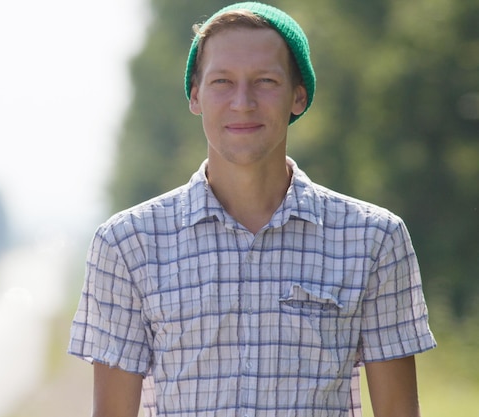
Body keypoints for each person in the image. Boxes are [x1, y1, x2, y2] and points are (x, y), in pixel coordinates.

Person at [68, 2, 437, 416]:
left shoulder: (374, 239)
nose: (242, 102)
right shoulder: (126, 245)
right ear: (195, 96)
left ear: (299, 95)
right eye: (222, 81)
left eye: (265, 81)